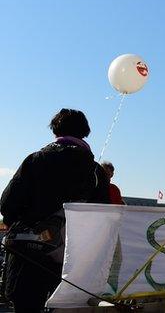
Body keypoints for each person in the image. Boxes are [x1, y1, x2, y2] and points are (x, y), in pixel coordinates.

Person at [1, 108, 111, 312]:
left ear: (55, 132)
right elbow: (104, 219)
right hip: (74, 263)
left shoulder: (35, 160)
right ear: (85, 132)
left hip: (29, 258)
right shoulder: (96, 172)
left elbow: (8, 204)